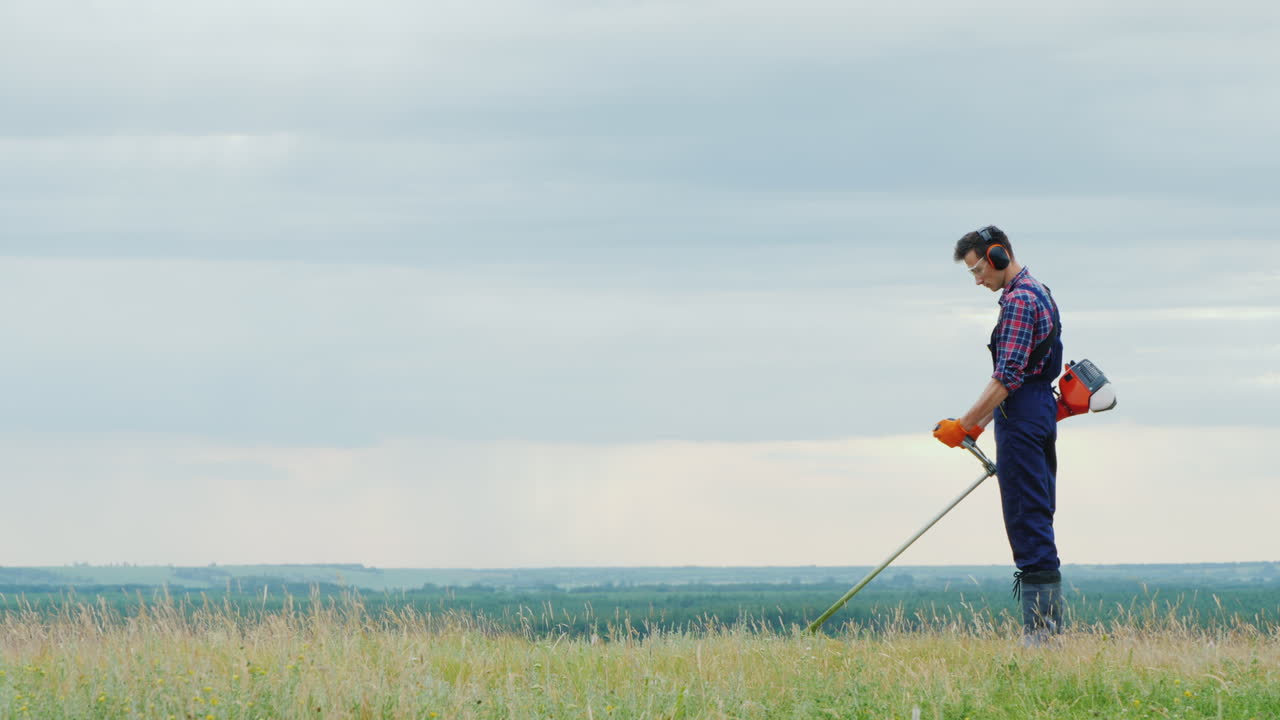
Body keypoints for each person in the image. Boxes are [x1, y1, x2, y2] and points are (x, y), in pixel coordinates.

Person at [932, 225, 1064, 646]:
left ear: (998, 255)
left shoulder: (1021, 301)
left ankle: (1042, 638)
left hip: (1023, 416)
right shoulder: (1038, 290)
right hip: (1033, 410)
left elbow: (1007, 376)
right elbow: (1026, 375)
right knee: (1035, 515)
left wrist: (966, 424)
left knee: (1027, 519)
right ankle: (1043, 635)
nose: (977, 280)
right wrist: (984, 422)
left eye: (977, 269)